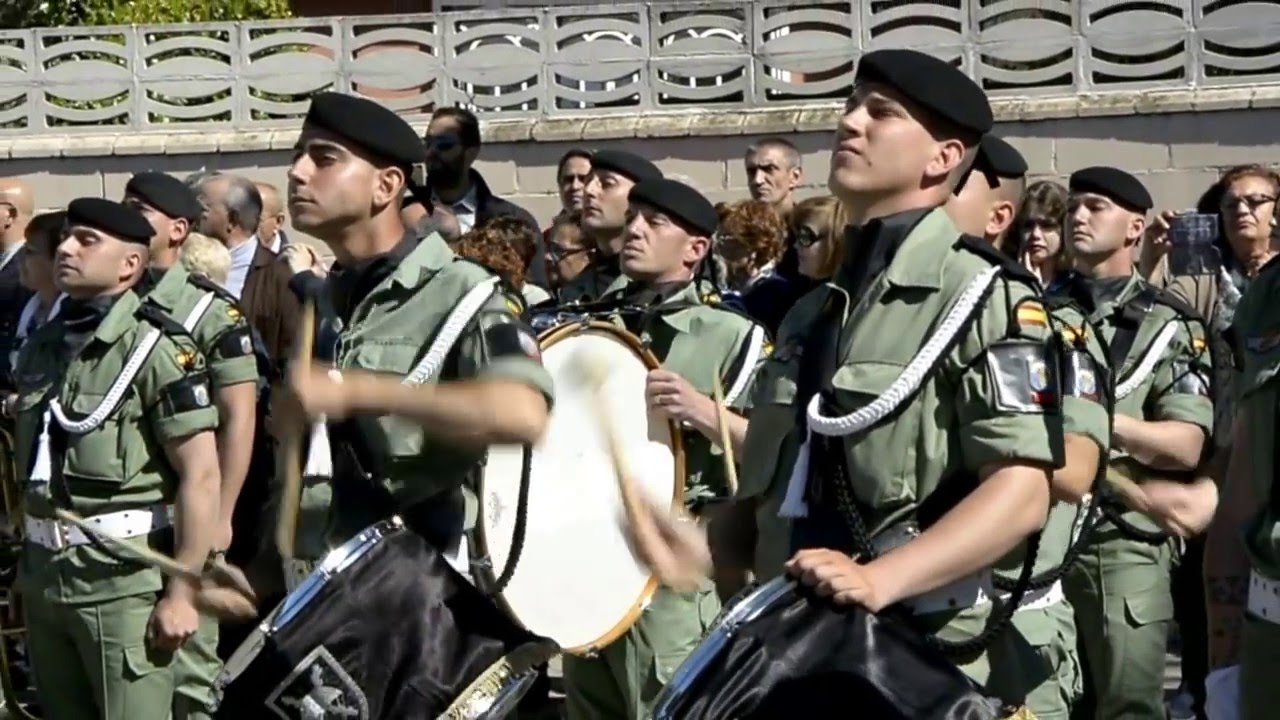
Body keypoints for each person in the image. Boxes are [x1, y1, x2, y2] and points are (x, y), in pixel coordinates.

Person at [633, 47, 1065, 703]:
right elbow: (783, 483)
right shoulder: (815, 308)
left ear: (943, 158)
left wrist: (882, 578)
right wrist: (706, 545)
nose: (850, 123)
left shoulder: (984, 298)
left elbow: (1022, 492)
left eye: (880, 114)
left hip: (905, 658)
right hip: (793, 644)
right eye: (851, 106)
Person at [233, 91, 554, 715]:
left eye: (323, 159)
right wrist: (259, 576)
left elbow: (523, 413)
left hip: (426, 625)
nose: (298, 172)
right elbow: (311, 467)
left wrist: (366, 390)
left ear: (386, 185)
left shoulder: (465, 292)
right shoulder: (323, 301)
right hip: (327, 611)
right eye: (298, 156)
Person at [560, 178, 768, 720]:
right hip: (593, 556)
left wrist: (701, 410)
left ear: (696, 249)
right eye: (633, 219)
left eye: (655, 223)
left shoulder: (732, 334)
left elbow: (775, 454)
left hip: (677, 568)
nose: (634, 230)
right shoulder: (592, 323)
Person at [13, 197, 222, 720]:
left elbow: (201, 476)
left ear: (130, 264)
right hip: (46, 579)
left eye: (86, 241)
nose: (65, 248)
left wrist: (181, 592)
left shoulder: (158, 350)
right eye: (64, 238)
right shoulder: (43, 347)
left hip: (122, 585)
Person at [947, 134, 1112, 719]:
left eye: (956, 180)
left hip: (1013, 607)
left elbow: (1073, 471)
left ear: (998, 218)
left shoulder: (1051, 328)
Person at [1057, 166, 1217, 720]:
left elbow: (1186, 444)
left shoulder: (1171, 325)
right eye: (1073, 206)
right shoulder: (1031, 310)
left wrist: (1097, 422)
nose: (1077, 215)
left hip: (1119, 537)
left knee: (1128, 704)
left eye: (1095, 206)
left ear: (1135, 228)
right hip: (1034, 526)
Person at [123, 171, 262, 713]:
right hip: (130, 517)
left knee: (188, 674)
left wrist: (222, 511)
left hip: (190, 512)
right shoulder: (118, 299)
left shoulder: (211, 310)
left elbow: (238, 417)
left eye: (141, 210)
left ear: (178, 229)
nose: (126, 218)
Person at [559, 150, 664, 304]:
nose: (588, 191)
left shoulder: (661, 281)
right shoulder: (577, 288)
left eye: (607, 184)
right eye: (589, 181)